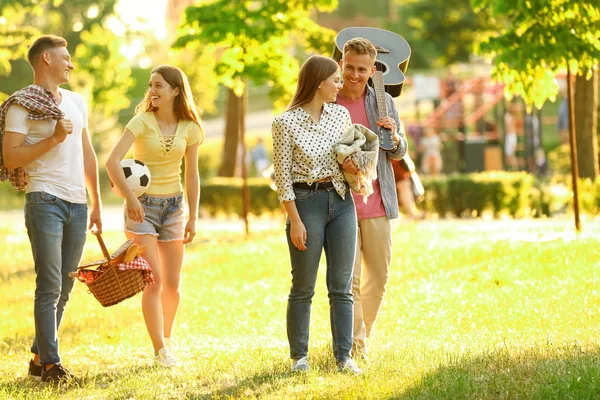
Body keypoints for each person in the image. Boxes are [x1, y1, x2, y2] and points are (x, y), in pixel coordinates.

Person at [0, 35, 103, 383]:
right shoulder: (21, 105)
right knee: (49, 284)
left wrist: (97, 203)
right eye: (66, 57)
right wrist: (53, 139)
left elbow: (88, 154)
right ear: (46, 59)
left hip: (77, 201)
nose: (71, 64)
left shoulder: (76, 101)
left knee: (66, 286)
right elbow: (11, 156)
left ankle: (37, 357)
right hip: (44, 198)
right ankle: (51, 365)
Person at [105, 65, 203, 368]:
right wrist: (131, 197)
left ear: (176, 90)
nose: (152, 91)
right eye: (150, 85)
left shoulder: (191, 128)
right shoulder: (141, 122)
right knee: (154, 280)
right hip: (141, 208)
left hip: (174, 208)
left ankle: (167, 339)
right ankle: (160, 350)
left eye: (159, 85)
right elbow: (111, 162)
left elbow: (193, 176)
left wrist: (193, 216)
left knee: (172, 283)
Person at [272, 55, 362, 374]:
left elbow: (352, 157)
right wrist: (295, 220)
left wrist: (357, 165)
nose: (341, 85)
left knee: (341, 285)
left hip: (341, 201)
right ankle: (300, 358)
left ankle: (344, 358)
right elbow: (282, 178)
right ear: (319, 81)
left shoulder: (341, 114)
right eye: (336, 79)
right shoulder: (284, 123)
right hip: (304, 203)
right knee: (304, 286)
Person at [336, 37, 408, 358]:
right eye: (349, 66)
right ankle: (354, 345)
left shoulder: (383, 102)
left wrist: (393, 136)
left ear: (372, 70)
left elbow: (400, 151)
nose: (354, 74)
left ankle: (360, 335)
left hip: (378, 202)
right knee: (348, 281)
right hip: (340, 203)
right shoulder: (329, 101)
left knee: (378, 277)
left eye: (361, 69)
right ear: (341, 64)